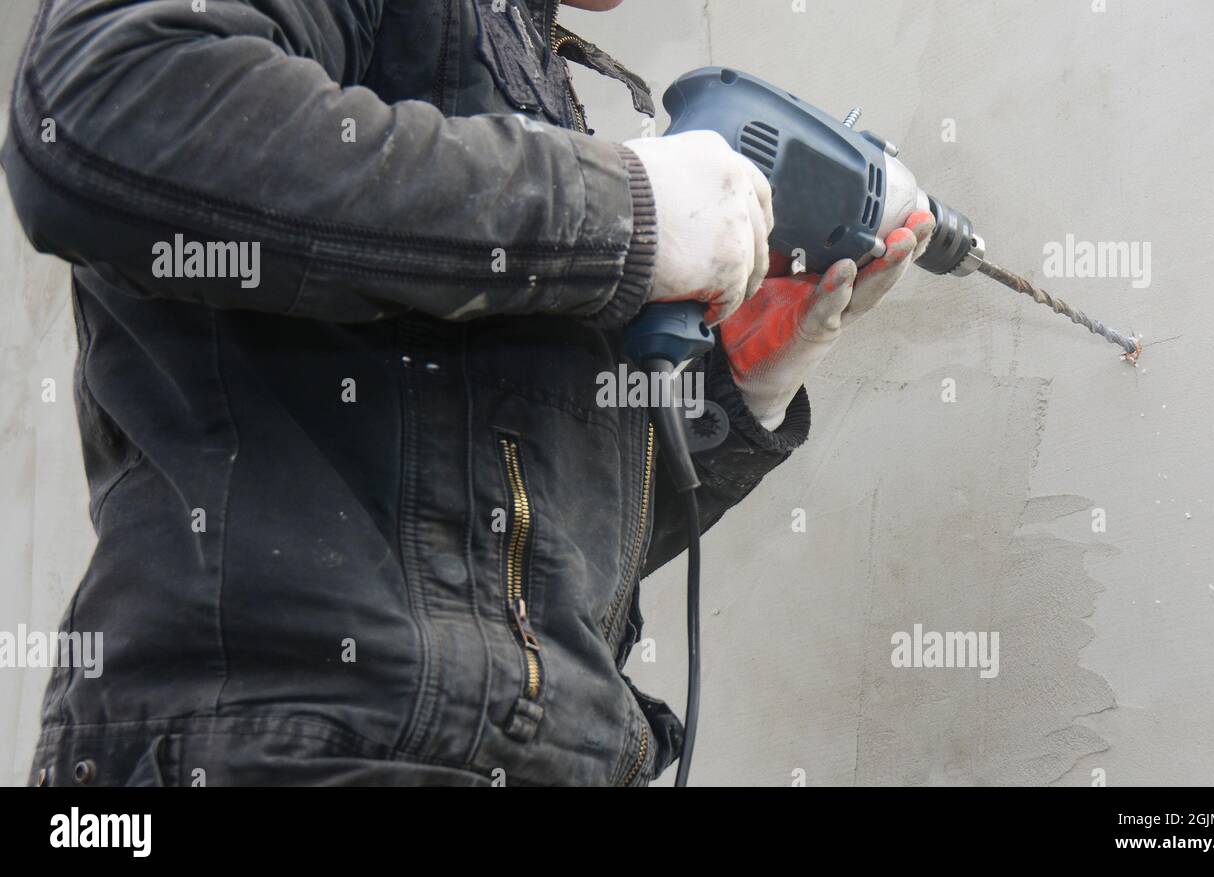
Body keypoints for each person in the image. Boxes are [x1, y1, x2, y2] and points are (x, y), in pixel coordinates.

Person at [3, 0, 933, 786]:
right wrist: (618, 212)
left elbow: (496, 557)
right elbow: (112, 100)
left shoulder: (518, 62)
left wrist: (736, 393)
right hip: (276, 745)